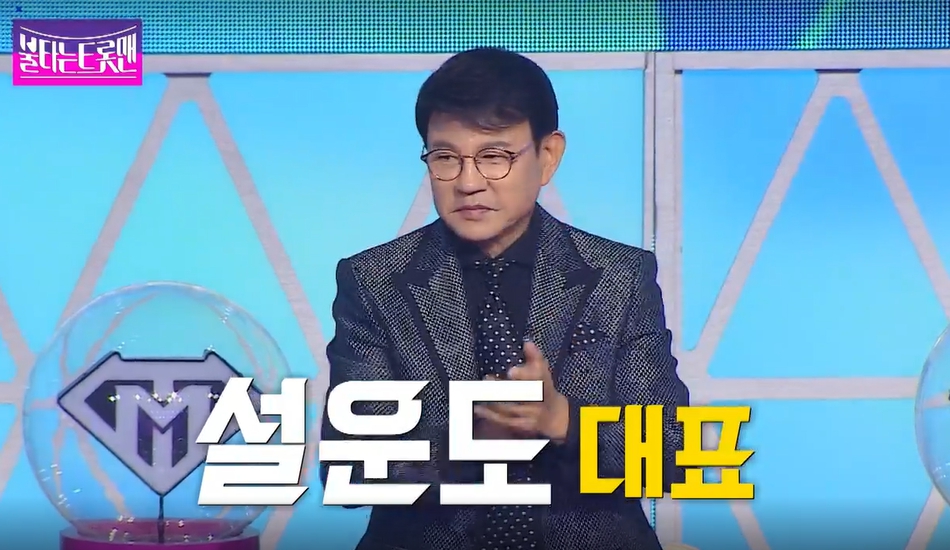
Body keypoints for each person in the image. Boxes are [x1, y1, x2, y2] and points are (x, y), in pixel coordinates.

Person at [321, 47, 689, 550]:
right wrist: (472, 438)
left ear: (548, 156)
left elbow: (670, 450)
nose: (468, 183)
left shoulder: (619, 277)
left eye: (494, 157)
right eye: (445, 158)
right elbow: (351, 462)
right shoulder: (374, 281)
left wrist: (562, 421)